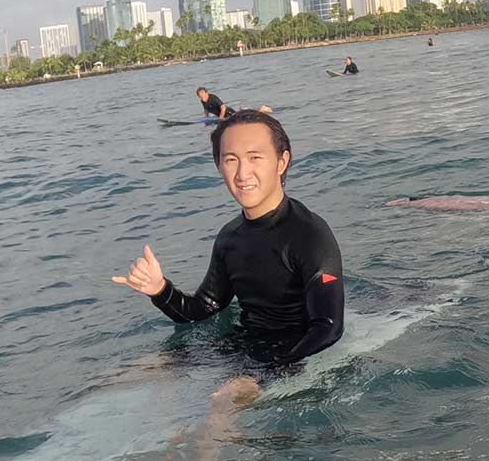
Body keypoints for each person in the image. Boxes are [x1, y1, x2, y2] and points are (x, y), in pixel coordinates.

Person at [111, 108, 345, 380]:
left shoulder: (310, 235)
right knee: (118, 377)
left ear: (282, 162)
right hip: (242, 345)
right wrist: (160, 290)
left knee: (220, 411)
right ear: (219, 165)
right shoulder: (229, 237)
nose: (242, 173)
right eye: (231, 159)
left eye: (255, 157)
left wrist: (264, 375)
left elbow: (328, 327)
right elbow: (200, 311)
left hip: (293, 354)